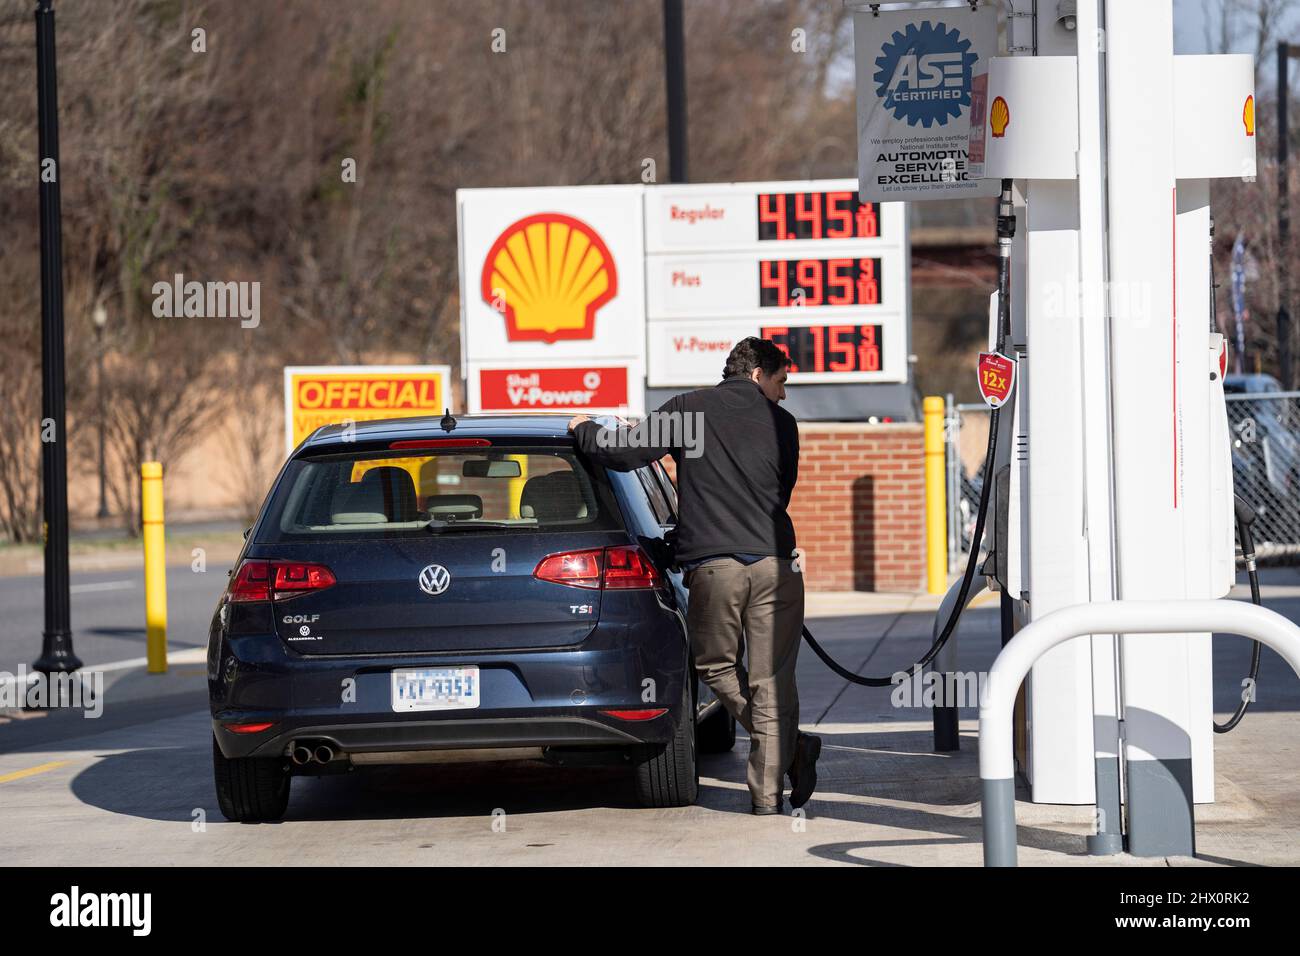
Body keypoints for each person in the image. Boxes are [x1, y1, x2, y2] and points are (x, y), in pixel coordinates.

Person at [568, 336, 820, 815]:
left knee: (716, 668)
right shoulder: (782, 424)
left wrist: (583, 428)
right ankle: (773, 787)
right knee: (771, 680)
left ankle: (786, 761)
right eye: (781, 382)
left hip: (713, 566)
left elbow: (621, 453)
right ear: (757, 374)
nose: (784, 395)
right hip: (776, 564)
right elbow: (780, 492)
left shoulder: (689, 411)